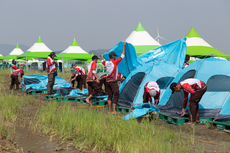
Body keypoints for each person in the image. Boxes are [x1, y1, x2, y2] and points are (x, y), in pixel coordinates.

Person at [100, 42, 126, 114]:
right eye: (115, 56)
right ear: (113, 57)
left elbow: (102, 61)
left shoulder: (106, 63)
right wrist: (124, 47)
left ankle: (109, 111)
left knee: (110, 95)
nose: (116, 57)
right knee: (116, 94)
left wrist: (101, 56)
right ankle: (114, 111)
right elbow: (122, 56)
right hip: (113, 82)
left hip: (107, 81)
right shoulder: (115, 62)